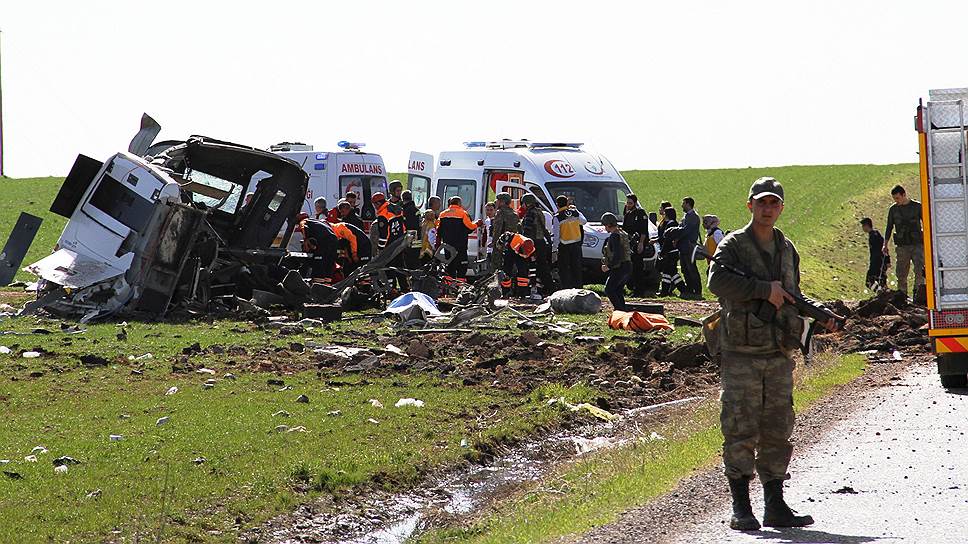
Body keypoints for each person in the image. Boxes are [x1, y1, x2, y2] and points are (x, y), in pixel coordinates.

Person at [708, 176, 839, 532]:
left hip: (779, 351)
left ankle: (775, 505)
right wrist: (762, 289)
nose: (767, 209)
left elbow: (792, 292)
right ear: (749, 205)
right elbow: (717, 282)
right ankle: (741, 506)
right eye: (761, 202)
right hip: (742, 352)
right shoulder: (734, 245)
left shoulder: (786, 248)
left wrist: (819, 314)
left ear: (781, 208)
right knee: (740, 425)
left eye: (774, 203)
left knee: (778, 428)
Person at [883, 185, 925, 301]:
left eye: (898, 198)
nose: (896, 201)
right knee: (901, 272)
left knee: (920, 271)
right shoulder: (893, 210)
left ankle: (919, 296)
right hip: (902, 246)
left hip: (917, 245)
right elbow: (889, 227)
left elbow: (926, 224)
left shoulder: (917, 207)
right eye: (894, 199)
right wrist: (885, 244)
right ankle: (902, 297)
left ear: (904, 195)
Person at [370, 192, 409, 291]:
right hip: (399, 244)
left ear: (378, 203)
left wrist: (380, 248)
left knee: (388, 268)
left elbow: (384, 235)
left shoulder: (383, 214)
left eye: (374, 204)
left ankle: (391, 289)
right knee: (400, 267)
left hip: (389, 247)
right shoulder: (396, 209)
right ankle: (405, 288)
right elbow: (403, 227)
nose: (374, 207)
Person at [436, 196, 480, 279]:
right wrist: (477, 224)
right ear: (459, 203)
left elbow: (438, 230)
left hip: (448, 246)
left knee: (450, 267)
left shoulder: (442, 214)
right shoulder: (463, 213)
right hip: (461, 246)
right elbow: (470, 227)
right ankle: (460, 284)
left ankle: (449, 285)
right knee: (462, 267)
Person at [520, 193, 554, 297]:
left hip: (533, 243)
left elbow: (527, 230)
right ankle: (548, 288)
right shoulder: (539, 211)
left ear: (527, 203)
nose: (522, 205)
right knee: (543, 267)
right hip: (541, 242)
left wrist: (523, 243)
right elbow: (543, 228)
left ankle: (534, 288)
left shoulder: (530, 213)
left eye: (523, 203)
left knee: (532, 267)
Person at [553, 194, 586, 289]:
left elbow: (556, 236)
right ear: (567, 203)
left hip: (564, 246)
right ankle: (579, 288)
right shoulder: (575, 213)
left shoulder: (557, 217)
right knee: (577, 268)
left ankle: (566, 288)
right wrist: (577, 211)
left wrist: (554, 249)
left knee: (564, 269)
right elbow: (584, 222)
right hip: (576, 245)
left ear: (557, 205)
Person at [601, 213, 631, 311]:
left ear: (609, 225)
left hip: (620, 267)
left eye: (605, 225)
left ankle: (619, 310)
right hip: (627, 266)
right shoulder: (622, 233)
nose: (605, 228)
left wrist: (608, 266)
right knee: (617, 290)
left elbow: (617, 254)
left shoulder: (614, 236)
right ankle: (622, 310)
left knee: (609, 289)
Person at [623, 194, 651, 296]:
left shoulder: (640, 213)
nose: (628, 205)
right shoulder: (628, 214)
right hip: (630, 243)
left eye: (630, 203)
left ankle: (639, 290)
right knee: (631, 267)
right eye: (627, 203)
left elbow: (644, 230)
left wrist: (641, 243)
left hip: (638, 242)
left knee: (638, 267)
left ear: (635, 203)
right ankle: (633, 288)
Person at [658, 207, 686, 296]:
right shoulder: (674, 223)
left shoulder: (670, 224)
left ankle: (679, 289)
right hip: (673, 251)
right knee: (670, 272)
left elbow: (667, 240)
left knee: (668, 272)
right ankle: (679, 289)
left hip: (670, 252)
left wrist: (662, 252)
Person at [678, 197, 703, 298]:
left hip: (689, 246)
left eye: (683, 203)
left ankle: (697, 291)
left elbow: (686, 230)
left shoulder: (693, 217)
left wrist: (676, 236)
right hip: (684, 246)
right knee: (685, 269)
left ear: (688, 204)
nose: (682, 205)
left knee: (691, 269)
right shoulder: (687, 216)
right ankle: (690, 290)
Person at [498, 231, 535, 298]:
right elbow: (501, 241)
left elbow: (532, 267)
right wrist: (500, 245)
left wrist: (533, 281)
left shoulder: (531, 250)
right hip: (510, 251)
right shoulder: (512, 239)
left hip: (520, 252)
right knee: (507, 272)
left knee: (523, 273)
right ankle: (505, 293)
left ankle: (522, 294)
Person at [490, 192, 520, 273]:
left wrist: (494, 243)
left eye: (498, 200)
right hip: (512, 244)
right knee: (509, 265)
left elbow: (497, 230)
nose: (496, 202)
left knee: (497, 266)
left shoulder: (500, 213)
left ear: (502, 202)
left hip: (501, 243)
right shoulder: (514, 213)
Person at [861, 217, 890, 290]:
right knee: (880, 282)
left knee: (869, 282)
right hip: (878, 262)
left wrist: (886, 260)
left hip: (878, 263)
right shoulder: (874, 235)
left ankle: (882, 292)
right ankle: (883, 292)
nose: (862, 228)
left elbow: (882, 248)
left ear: (867, 225)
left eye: (863, 226)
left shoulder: (874, 236)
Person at [401, 190, 421, 270]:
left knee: (409, 260)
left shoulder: (405, 210)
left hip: (409, 238)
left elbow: (406, 225)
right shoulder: (416, 209)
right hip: (417, 238)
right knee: (416, 259)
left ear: (402, 198)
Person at [482, 202, 496, 272]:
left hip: (495, 249)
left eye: (491, 210)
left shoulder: (497, 220)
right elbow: (485, 234)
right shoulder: (487, 221)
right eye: (487, 210)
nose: (489, 212)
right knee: (488, 267)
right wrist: (483, 244)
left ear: (495, 210)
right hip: (488, 248)